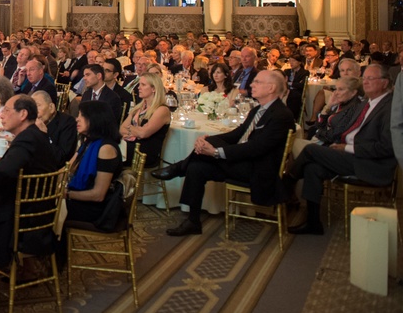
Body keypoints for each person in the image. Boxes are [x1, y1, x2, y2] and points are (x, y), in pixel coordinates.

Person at [153, 70, 295, 236]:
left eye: (257, 82)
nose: (251, 85)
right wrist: (207, 140)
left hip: (259, 170)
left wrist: (215, 152)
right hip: (243, 162)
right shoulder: (258, 110)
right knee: (196, 168)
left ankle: (178, 168)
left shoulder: (281, 115)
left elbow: (257, 148)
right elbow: (236, 135)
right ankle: (193, 220)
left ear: (271, 88)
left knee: (206, 153)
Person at [285, 64, 397, 235]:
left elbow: (386, 147)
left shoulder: (390, 108)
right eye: (364, 78)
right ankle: (313, 223)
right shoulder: (368, 102)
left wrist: (348, 148)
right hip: (349, 153)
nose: (365, 82)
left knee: (311, 150)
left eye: (370, 78)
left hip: (371, 163)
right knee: (312, 168)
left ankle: (283, 185)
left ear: (385, 82)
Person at [0, 94, 60, 268]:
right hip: (37, 208)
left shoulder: (28, 139)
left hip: (25, 217)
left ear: (23, 114)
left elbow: (5, 172)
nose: (1, 115)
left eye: (7, 111)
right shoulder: (35, 135)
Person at [65, 100, 124, 224]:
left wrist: (66, 194)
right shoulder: (89, 142)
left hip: (94, 209)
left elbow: (98, 195)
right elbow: (67, 169)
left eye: (82, 115)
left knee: (43, 208)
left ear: (96, 119)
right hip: (80, 198)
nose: (77, 119)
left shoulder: (106, 149)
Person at [120, 72, 171, 167]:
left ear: (154, 89)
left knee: (108, 153)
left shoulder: (162, 110)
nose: (139, 87)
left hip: (144, 153)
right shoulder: (139, 108)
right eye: (139, 84)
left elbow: (143, 133)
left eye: (143, 85)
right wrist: (136, 131)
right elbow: (122, 129)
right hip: (131, 146)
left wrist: (131, 129)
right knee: (105, 149)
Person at [33, 90, 76, 164]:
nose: (34, 111)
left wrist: (45, 135)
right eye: (32, 107)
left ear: (51, 107)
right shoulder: (31, 121)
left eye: (38, 105)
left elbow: (61, 157)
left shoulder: (67, 123)